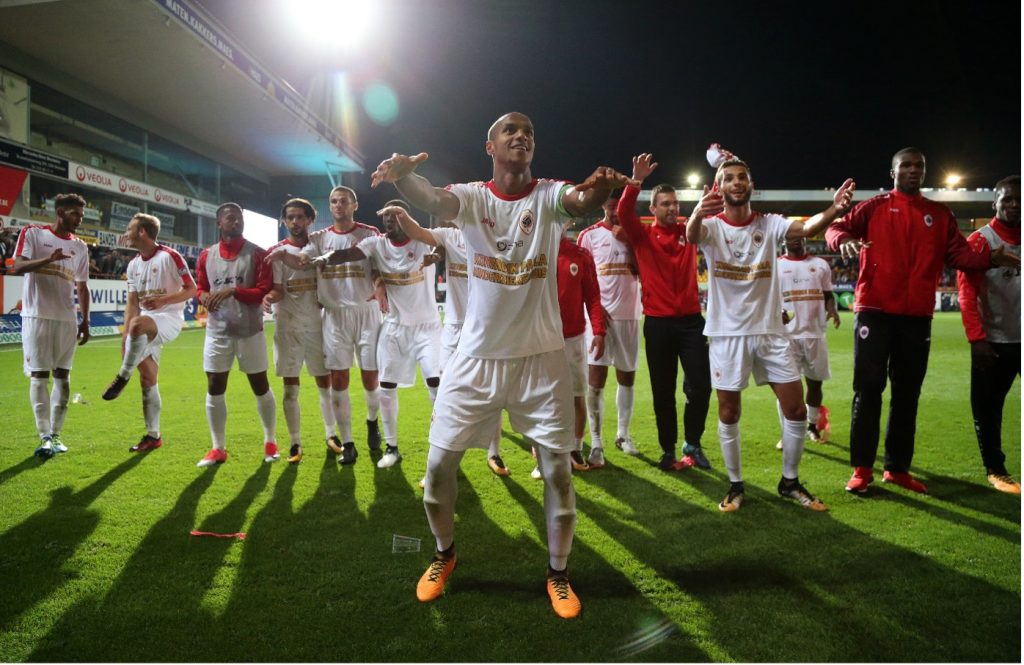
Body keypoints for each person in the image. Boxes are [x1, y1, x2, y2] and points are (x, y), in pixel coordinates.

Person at [370, 111, 632, 619]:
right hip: (475, 359)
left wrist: (600, 186)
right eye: (509, 131)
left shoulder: (549, 196)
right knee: (438, 467)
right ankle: (444, 555)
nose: (521, 136)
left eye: (528, 132)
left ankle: (558, 573)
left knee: (557, 470)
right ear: (490, 146)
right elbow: (430, 200)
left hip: (542, 359)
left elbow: (580, 200)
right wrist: (403, 176)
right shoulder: (471, 198)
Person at [825, 148, 1020, 494]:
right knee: (868, 391)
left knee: (907, 394)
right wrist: (843, 240)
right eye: (907, 166)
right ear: (893, 172)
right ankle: (861, 469)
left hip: (916, 317)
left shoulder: (939, 214)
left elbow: (959, 254)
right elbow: (836, 227)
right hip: (875, 311)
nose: (914, 171)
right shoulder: (875, 206)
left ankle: (897, 468)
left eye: (919, 166)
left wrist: (989, 256)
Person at [686, 155, 856, 512]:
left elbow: (807, 228)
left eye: (742, 177)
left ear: (750, 185)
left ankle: (789, 481)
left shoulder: (770, 223)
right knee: (729, 413)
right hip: (727, 334)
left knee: (795, 409)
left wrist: (835, 210)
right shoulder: (712, 227)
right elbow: (691, 236)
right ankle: (735, 486)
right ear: (719, 187)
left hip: (771, 332)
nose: (736, 182)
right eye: (729, 178)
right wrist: (698, 210)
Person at [273, 199, 442, 469]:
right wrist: (318, 257)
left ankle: (412, 438)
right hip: (346, 317)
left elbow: (440, 242)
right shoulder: (341, 239)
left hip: (382, 317)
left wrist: (382, 283)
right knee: (354, 381)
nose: (390, 222)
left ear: (354, 204)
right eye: (386, 217)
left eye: (396, 216)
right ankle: (361, 444)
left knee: (399, 382)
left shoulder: (396, 237)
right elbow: (339, 255)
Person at [392, 219, 510, 477]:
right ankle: (437, 463)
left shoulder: (492, 237)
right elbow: (421, 232)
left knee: (492, 392)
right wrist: (401, 213)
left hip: (486, 328)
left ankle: (494, 453)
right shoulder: (449, 235)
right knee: (442, 393)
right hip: (455, 328)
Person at [617, 155, 713, 470]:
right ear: (653, 209)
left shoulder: (690, 230)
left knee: (700, 385)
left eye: (676, 203)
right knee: (662, 391)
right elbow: (622, 212)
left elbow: (710, 222)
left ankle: (692, 443)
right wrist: (636, 180)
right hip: (657, 324)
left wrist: (708, 202)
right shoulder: (642, 235)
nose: (673, 208)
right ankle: (668, 449)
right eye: (666, 204)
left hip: (690, 322)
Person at [99, 214, 196, 454]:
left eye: (130, 228)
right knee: (148, 379)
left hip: (169, 320)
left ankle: (122, 376)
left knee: (138, 324)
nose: (127, 233)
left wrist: (163, 300)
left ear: (142, 231)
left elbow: (191, 289)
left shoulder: (170, 256)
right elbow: (132, 303)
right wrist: (125, 335)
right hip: (142, 326)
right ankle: (153, 436)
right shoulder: (133, 265)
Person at [301, 186, 383, 465]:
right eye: (333, 201)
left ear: (354, 205)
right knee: (339, 380)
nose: (338, 205)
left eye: (343, 201)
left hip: (366, 311)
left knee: (371, 378)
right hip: (335, 315)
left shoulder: (369, 234)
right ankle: (348, 442)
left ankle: (372, 421)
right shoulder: (318, 238)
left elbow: (380, 269)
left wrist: (380, 289)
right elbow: (302, 261)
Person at [194, 203, 277, 467]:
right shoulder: (207, 255)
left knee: (260, 385)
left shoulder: (258, 254)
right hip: (217, 332)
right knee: (215, 386)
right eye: (231, 218)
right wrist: (204, 297)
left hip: (249, 330)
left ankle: (270, 441)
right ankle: (218, 448)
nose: (236, 222)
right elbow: (200, 289)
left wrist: (232, 291)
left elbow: (263, 291)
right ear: (219, 223)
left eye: (239, 218)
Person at [13, 193, 91, 459]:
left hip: (67, 320)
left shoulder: (80, 246)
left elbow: (82, 286)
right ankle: (44, 436)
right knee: (39, 375)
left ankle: (56, 435)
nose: (79, 220)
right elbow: (16, 267)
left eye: (81, 216)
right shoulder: (33, 234)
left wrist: (86, 320)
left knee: (64, 378)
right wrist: (48, 260)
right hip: (37, 317)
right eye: (75, 215)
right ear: (60, 212)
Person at [956, 175, 1020, 494]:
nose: (1014, 205)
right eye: (1007, 199)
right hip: (995, 341)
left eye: (1019, 199)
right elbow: (966, 294)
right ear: (994, 203)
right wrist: (977, 338)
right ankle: (996, 470)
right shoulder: (981, 240)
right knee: (988, 408)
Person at [262, 198, 335, 464]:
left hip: (318, 324)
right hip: (288, 325)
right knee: (290, 387)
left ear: (310, 220)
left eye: (300, 217)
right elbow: (278, 288)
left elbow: (309, 266)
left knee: (324, 384)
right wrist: (268, 297)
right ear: (284, 221)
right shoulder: (275, 252)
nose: (295, 222)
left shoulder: (318, 246)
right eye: (290, 217)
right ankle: (295, 443)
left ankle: (331, 434)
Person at [577, 192, 643, 463]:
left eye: (622, 206)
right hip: (599, 318)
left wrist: (631, 242)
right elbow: (581, 277)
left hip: (629, 315)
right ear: (604, 205)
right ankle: (596, 442)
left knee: (626, 377)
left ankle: (623, 435)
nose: (616, 211)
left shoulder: (636, 235)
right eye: (612, 205)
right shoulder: (589, 235)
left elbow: (646, 270)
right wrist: (593, 311)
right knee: (595, 380)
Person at [774, 236, 840, 449]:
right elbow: (769, 299)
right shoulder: (776, 265)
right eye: (789, 237)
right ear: (783, 240)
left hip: (814, 334)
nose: (793, 240)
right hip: (786, 336)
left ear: (805, 239)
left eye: (797, 237)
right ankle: (788, 433)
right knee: (785, 386)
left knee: (814, 383)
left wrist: (832, 308)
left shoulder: (820, 265)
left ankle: (811, 425)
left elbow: (829, 295)